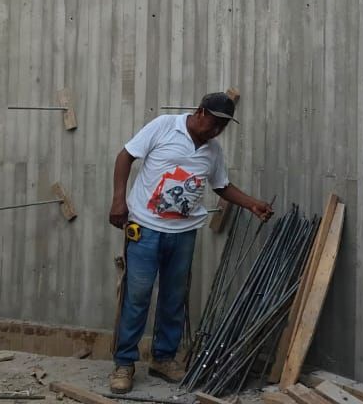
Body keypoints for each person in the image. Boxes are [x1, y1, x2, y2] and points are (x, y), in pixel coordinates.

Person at [107, 89, 274, 394]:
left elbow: (221, 186)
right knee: (137, 296)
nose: (216, 131)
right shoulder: (164, 126)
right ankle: (124, 363)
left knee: (174, 297)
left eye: (223, 127)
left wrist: (251, 203)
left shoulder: (212, 151)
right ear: (199, 112)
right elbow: (125, 156)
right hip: (145, 228)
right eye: (214, 123)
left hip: (183, 234)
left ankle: (163, 358)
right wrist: (119, 201)